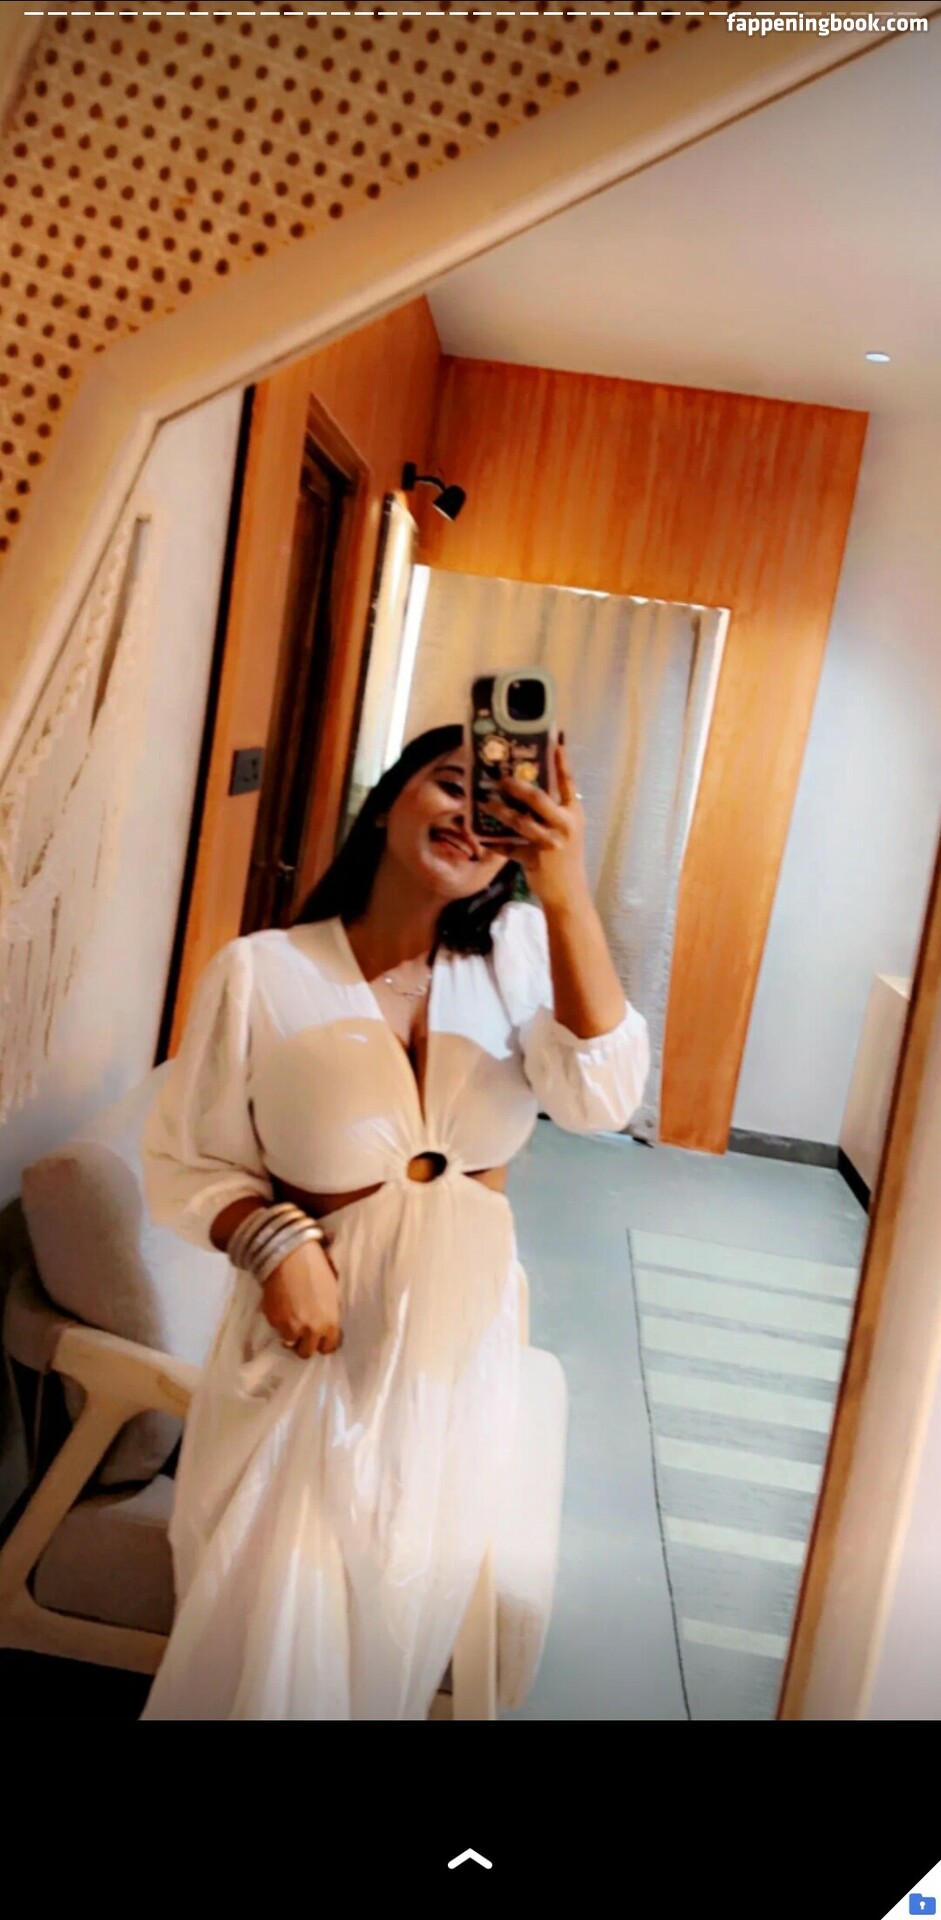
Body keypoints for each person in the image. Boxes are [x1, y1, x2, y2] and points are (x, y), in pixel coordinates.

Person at [139, 724, 649, 1720]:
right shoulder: (262, 971)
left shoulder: (516, 960)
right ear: (386, 801)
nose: (469, 816)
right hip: (309, 1364)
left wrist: (564, 889)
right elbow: (187, 1157)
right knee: (268, 1658)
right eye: (450, 785)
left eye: (498, 805)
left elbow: (600, 1097)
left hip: (454, 1363)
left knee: (385, 1648)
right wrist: (274, 1243)